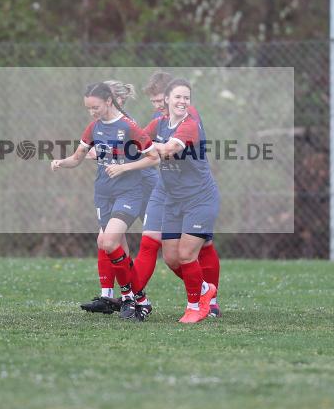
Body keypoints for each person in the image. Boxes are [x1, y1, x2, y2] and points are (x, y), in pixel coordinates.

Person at [51, 82, 158, 320]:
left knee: (108, 241)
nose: (92, 112)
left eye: (95, 107)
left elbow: (153, 157)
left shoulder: (129, 127)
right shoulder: (93, 128)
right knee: (111, 243)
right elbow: (78, 157)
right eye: (88, 108)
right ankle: (132, 299)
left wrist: (124, 167)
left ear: (109, 101)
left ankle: (137, 297)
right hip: (103, 194)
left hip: (129, 192)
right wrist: (61, 162)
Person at [128, 71, 221, 322]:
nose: (157, 106)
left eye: (160, 100)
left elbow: (167, 151)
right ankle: (203, 290)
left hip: (198, 197)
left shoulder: (189, 120)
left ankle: (201, 303)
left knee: (191, 253)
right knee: (171, 257)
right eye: (156, 102)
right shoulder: (160, 121)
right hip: (171, 194)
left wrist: (147, 148)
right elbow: (136, 139)